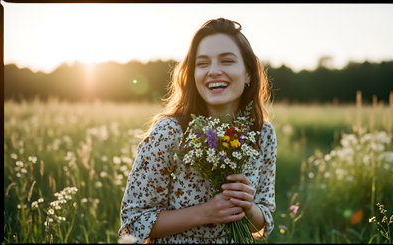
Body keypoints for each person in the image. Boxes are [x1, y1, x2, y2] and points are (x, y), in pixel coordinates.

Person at [118, 17, 277, 243]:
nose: (213, 71)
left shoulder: (263, 133)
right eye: (202, 63)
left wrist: (249, 208)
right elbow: (133, 221)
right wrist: (204, 213)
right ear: (193, 75)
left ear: (248, 73)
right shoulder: (170, 132)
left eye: (227, 61)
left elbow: (264, 219)